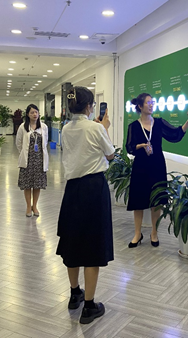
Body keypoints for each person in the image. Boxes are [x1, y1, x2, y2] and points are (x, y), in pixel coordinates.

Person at [56, 86, 115, 325]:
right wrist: (105, 128)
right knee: (93, 246)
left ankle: (75, 293)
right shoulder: (96, 128)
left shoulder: (65, 128)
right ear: (89, 106)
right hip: (93, 188)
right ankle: (89, 306)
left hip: (72, 190)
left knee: (72, 242)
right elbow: (110, 154)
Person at [126, 93, 188, 248]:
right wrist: (141, 146)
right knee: (138, 201)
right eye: (148, 103)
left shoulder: (159, 123)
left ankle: (154, 232)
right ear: (140, 106)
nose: (151, 105)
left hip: (157, 166)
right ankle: (137, 233)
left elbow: (176, 135)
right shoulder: (134, 126)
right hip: (140, 167)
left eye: (153, 102)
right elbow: (129, 147)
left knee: (156, 201)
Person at [16, 104, 49, 217]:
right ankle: (28, 207)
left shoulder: (43, 127)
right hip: (27, 160)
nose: (35, 114)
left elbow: (45, 142)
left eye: (36, 112)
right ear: (27, 114)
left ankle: (35, 206)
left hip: (40, 160)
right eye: (32, 113)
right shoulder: (23, 127)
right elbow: (18, 143)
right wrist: (24, 153)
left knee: (37, 184)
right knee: (27, 184)